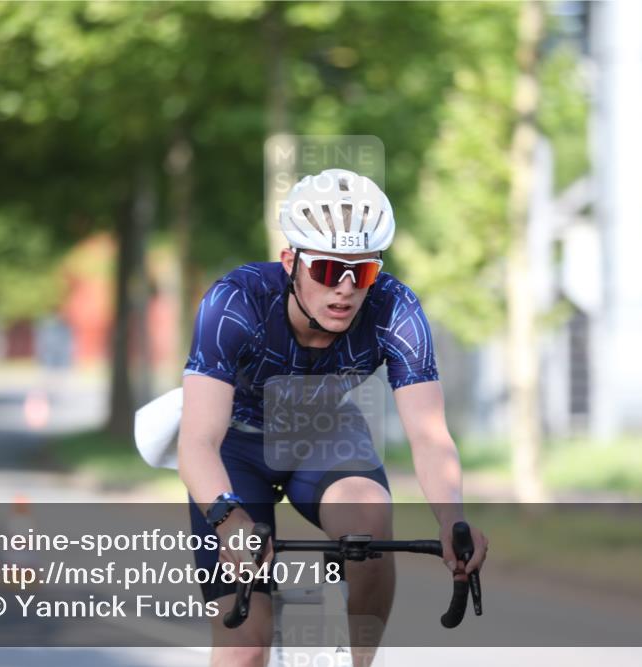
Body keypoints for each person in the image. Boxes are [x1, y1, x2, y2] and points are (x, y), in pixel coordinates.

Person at [178, 168, 488, 667]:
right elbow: (196, 442)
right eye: (326, 270)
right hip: (236, 445)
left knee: (370, 512)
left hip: (323, 434)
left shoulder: (396, 309)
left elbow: (430, 436)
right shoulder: (235, 303)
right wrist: (227, 518)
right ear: (290, 262)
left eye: (361, 272)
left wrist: (454, 520)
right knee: (244, 649)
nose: (344, 290)